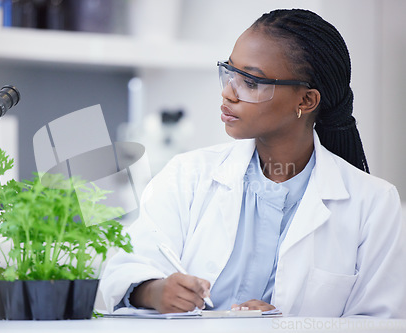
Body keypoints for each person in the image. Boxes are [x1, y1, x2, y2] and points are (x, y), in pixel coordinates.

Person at [99, 8, 406, 318]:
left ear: (306, 101)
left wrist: (283, 325)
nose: (228, 92)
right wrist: (155, 291)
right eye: (229, 72)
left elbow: (381, 322)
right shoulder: (187, 175)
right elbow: (125, 269)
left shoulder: (374, 204)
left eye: (251, 82)